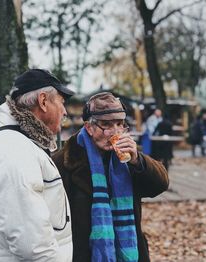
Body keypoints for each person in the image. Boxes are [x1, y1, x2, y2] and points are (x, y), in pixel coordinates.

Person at [0, 69, 74, 261]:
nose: (65, 111)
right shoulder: (13, 150)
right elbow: (33, 247)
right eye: (62, 102)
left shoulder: (12, 139)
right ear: (43, 101)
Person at [52, 92, 169, 262]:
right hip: (84, 253)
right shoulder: (65, 161)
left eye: (120, 124)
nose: (115, 132)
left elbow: (160, 185)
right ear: (89, 127)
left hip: (130, 252)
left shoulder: (128, 159)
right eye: (106, 125)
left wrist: (138, 160)